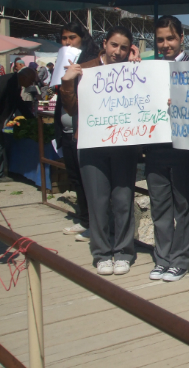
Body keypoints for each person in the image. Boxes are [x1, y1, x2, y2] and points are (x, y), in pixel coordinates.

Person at [60, 26, 139, 276]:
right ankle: (102, 253)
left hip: (123, 145)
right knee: (98, 201)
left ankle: (124, 251)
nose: (118, 51)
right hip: (92, 144)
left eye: (124, 47)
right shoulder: (86, 68)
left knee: (123, 200)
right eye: (114, 45)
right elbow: (72, 109)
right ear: (105, 44)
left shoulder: (132, 70)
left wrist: (137, 69)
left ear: (130, 50)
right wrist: (67, 82)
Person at [146, 16, 189, 283]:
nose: (165, 44)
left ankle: (181, 260)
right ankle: (162, 258)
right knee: (159, 207)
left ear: (181, 37)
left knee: (184, 207)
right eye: (160, 39)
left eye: (170, 38)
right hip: (156, 147)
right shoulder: (149, 69)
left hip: (186, 149)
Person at [57, 22, 101, 240]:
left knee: (88, 181)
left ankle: (94, 223)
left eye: (72, 38)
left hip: (84, 131)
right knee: (75, 178)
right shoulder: (63, 62)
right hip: (66, 131)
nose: (67, 42)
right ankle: (84, 219)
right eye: (64, 38)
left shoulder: (91, 63)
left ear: (83, 39)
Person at [0, 67, 37, 181]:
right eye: (31, 81)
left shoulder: (14, 82)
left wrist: (31, 119)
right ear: (23, 77)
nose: (31, 84)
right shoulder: (7, 82)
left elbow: (18, 102)